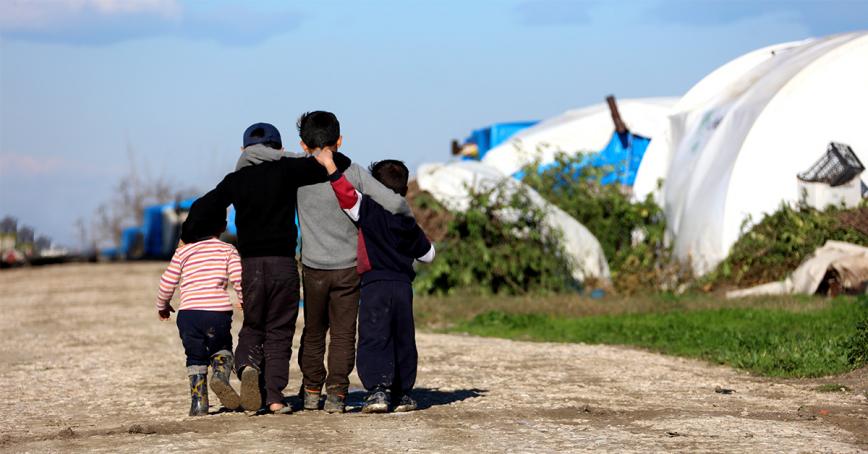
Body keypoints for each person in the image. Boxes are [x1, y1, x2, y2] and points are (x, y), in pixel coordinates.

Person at [234, 111, 412, 413]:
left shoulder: (295, 171)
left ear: (303, 145)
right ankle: (337, 396)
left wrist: (258, 153)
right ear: (340, 140)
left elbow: (263, 157)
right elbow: (395, 203)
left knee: (314, 331)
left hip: (314, 269)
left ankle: (312, 391)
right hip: (348, 269)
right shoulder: (352, 172)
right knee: (343, 334)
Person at [184, 122, 351, 414]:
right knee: (279, 332)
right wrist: (293, 158)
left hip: (250, 266)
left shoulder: (236, 180)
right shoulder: (287, 170)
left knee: (253, 325)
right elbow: (339, 161)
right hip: (282, 265)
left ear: (243, 150)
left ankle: (248, 365)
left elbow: (203, 206)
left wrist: (186, 237)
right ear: (278, 148)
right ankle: (274, 397)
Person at [313, 153, 435, 413]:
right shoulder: (406, 219)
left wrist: (331, 167)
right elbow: (428, 254)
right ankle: (403, 394)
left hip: (374, 284)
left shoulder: (367, 209)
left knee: (374, 336)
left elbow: (346, 194)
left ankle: (379, 391)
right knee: (403, 338)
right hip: (403, 287)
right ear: (404, 189)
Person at [155, 205, 243, 416]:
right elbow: (239, 279)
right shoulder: (227, 249)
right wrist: (244, 299)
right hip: (217, 313)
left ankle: (199, 403)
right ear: (222, 226)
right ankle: (220, 378)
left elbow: (167, 283)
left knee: (194, 356)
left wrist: (163, 306)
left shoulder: (183, 252)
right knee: (222, 347)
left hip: (189, 316)